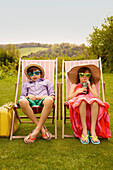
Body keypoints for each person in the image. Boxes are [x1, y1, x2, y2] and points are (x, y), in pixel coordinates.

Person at [67, 64, 111, 144]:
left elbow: (96, 96)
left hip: (91, 100)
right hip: (79, 101)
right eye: (81, 75)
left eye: (87, 75)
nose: (84, 77)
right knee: (82, 101)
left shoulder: (92, 85)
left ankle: (92, 130)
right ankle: (84, 129)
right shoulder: (75, 85)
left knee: (95, 102)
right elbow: (69, 98)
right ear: (78, 76)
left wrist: (90, 87)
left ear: (90, 77)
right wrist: (78, 91)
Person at [17, 64, 55, 143]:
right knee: (22, 101)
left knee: (49, 100)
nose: (34, 75)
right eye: (31, 74)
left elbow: (52, 96)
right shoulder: (26, 85)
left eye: (37, 73)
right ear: (29, 76)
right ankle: (41, 128)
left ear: (41, 74)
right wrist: (28, 96)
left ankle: (36, 131)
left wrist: (44, 96)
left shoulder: (47, 82)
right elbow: (22, 97)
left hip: (43, 100)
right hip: (31, 101)